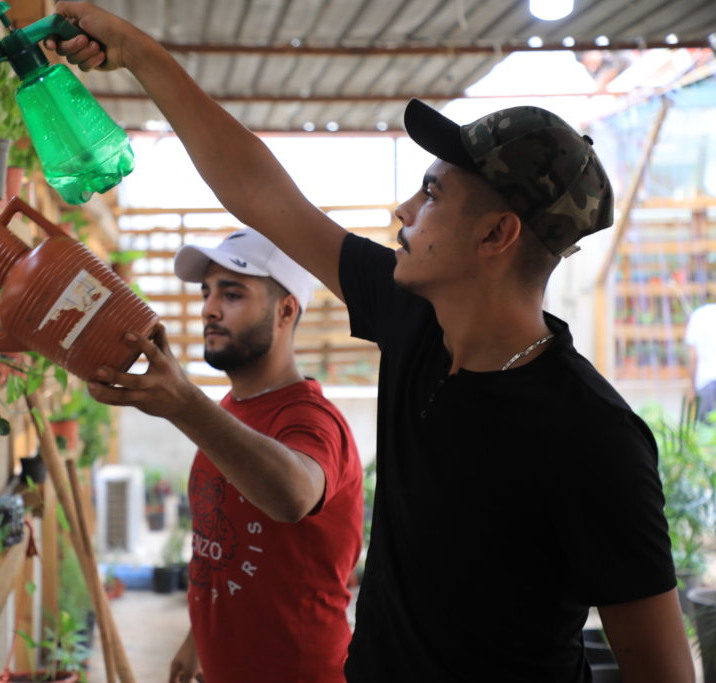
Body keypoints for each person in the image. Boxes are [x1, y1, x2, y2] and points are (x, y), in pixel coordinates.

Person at [47, 4, 696, 681]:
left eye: (432, 195)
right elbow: (261, 192)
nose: (403, 213)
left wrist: (183, 401)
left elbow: (663, 668)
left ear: (496, 235)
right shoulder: (415, 318)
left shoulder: (592, 436)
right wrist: (140, 52)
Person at [88, 228, 363, 682]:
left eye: (232, 294)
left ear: (285, 311)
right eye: (206, 292)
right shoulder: (231, 412)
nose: (209, 309)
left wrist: (184, 404)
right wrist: (198, 637)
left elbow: (294, 495)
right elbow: (222, 555)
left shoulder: (310, 419)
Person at [686, 301, 716, 423]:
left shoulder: (698, 316)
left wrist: (691, 387)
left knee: (706, 432)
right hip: (706, 382)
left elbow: (693, 356)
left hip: (705, 382)